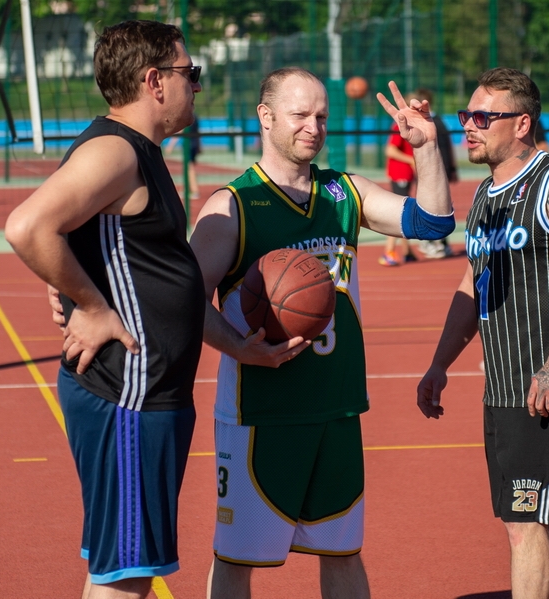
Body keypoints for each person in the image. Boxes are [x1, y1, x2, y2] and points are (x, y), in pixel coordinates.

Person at [190, 67, 453, 599]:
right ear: (266, 118)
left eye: (322, 116)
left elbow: (433, 223)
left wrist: (425, 147)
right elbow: (180, 300)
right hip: (260, 416)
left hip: (336, 409)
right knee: (236, 561)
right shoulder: (232, 206)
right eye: (300, 115)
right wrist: (238, 347)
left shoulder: (343, 192)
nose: (314, 126)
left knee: (343, 554)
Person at [4, 20, 205, 599]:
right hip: (129, 396)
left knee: (119, 569)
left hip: (141, 396)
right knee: (125, 577)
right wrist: (90, 305)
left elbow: (140, 267)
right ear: (154, 81)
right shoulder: (117, 151)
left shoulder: (133, 150)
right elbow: (27, 227)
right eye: (189, 73)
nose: (196, 83)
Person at [417, 67, 549, 599]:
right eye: (466, 116)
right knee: (529, 521)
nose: (469, 127)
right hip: (502, 385)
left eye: (483, 116)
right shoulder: (484, 197)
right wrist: (440, 364)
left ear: (521, 123)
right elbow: (473, 283)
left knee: (525, 525)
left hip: (545, 385)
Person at [414, 88, 457, 259]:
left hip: (435, 169)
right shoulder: (439, 121)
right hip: (439, 167)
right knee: (441, 204)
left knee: (431, 204)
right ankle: (441, 243)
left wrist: (452, 168)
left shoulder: (433, 122)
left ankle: (433, 242)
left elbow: (448, 146)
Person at [379, 97, 419, 266]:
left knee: (404, 210)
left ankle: (407, 251)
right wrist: (410, 160)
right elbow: (390, 150)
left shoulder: (410, 127)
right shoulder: (398, 127)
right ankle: (389, 251)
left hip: (404, 175)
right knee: (400, 213)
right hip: (400, 174)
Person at [165, 113, 200, 199]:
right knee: (188, 168)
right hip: (194, 144)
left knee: (189, 168)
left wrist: (170, 145)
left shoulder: (188, 117)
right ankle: (188, 189)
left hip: (190, 145)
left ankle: (195, 191)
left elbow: (181, 131)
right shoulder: (195, 117)